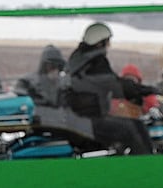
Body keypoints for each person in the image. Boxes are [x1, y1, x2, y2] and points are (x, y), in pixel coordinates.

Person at [65, 21, 154, 154]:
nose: (109, 46)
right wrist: (148, 90)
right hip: (87, 120)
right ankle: (147, 169)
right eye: (107, 42)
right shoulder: (95, 62)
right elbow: (117, 86)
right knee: (131, 128)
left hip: (80, 118)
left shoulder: (80, 59)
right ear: (99, 42)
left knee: (135, 124)